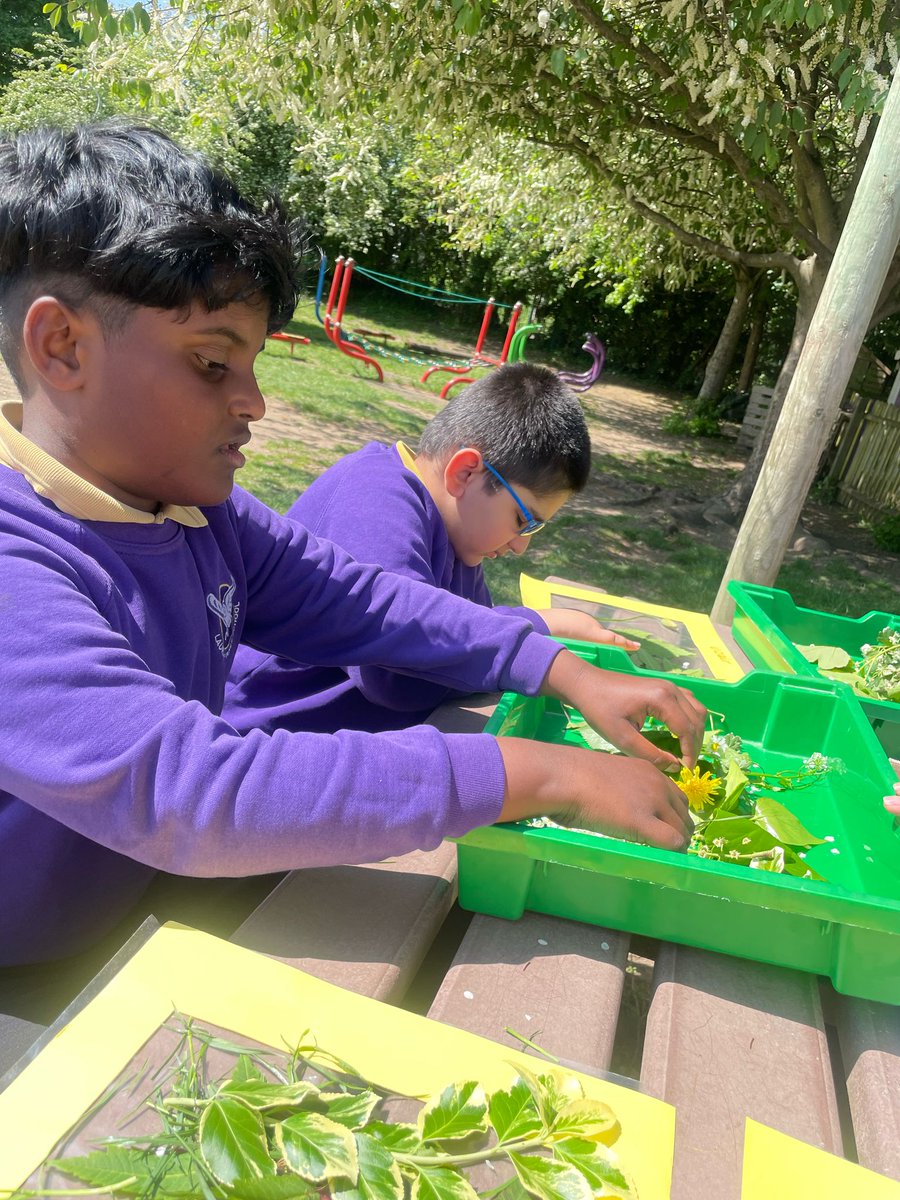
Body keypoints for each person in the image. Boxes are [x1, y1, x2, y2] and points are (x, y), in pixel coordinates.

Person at [0, 121, 704, 1030]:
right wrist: (541, 773)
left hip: (123, 918)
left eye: (253, 363)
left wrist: (556, 665)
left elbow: (358, 600)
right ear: (61, 347)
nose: (253, 401)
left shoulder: (189, 504)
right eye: (214, 363)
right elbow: (186, 789)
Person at [224, 362, 639, 735]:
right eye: (522, 519)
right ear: (466, 471)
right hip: (264, 739)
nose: (520, 546)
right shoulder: (375, 499)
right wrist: (537, 624)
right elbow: (399, 677)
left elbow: (461, 634)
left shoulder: (457, 533)